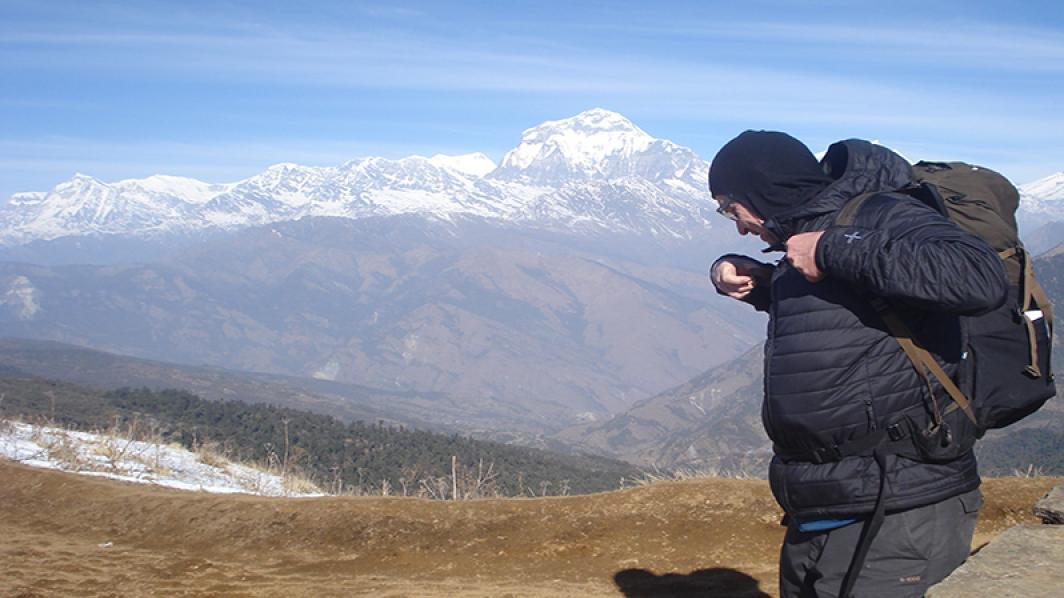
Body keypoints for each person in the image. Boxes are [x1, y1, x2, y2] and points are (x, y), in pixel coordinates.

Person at [707, 131, 1007, 598]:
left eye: (731, 208)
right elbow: (852, 316)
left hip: (902, 503)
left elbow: (976, 277)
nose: (739, 226)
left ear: (760, 191)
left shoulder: (880, 213)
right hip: (828, 501)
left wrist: (832, 248)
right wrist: (764, 284)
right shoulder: (810, 231)